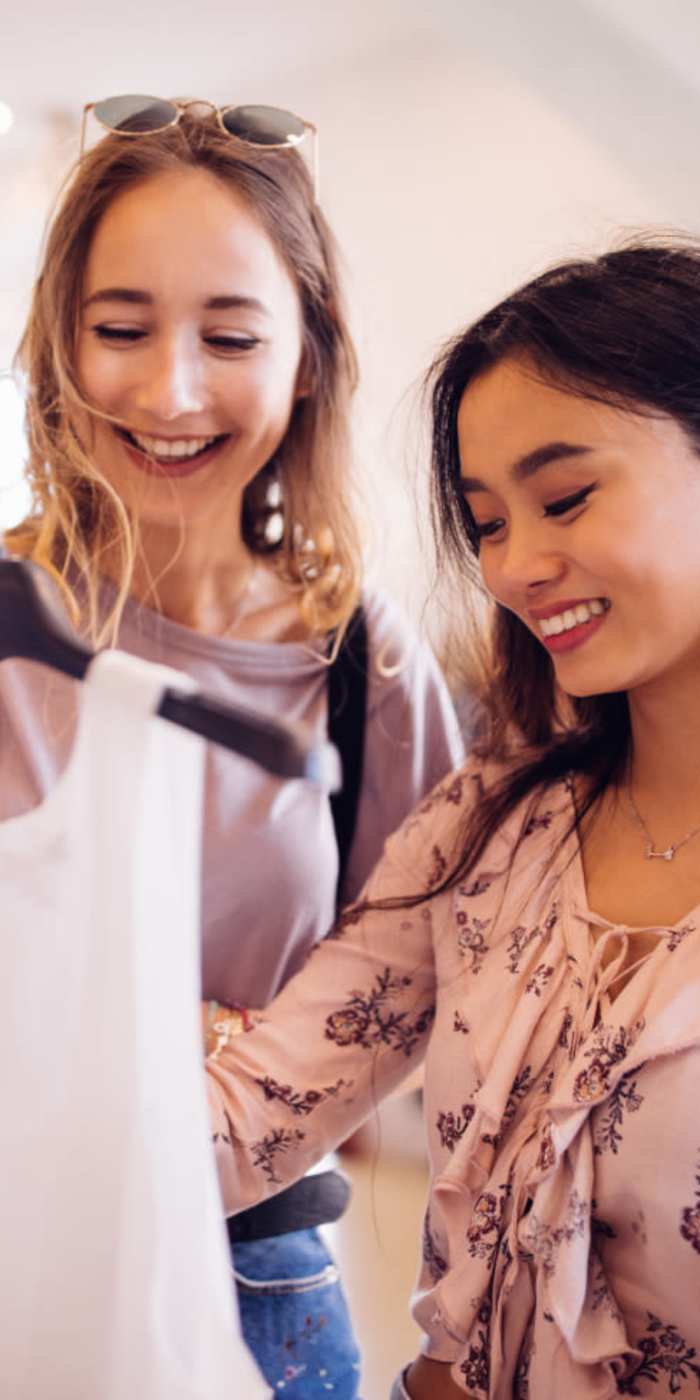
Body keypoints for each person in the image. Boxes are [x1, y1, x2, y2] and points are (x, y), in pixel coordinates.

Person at [0, 98, 463, 1398]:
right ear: (58, 345)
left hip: (259, 1281)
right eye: (122, 330)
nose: (172, 391)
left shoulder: (363, 664)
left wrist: (187, 1101)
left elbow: (411, 973)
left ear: (307, 358)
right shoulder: (7, 625)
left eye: (233, 335)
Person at [205, 238, 700, 1398]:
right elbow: (254, 1112)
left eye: (565, 496)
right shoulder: (497, 814)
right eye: (483, 522)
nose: (517, 565)